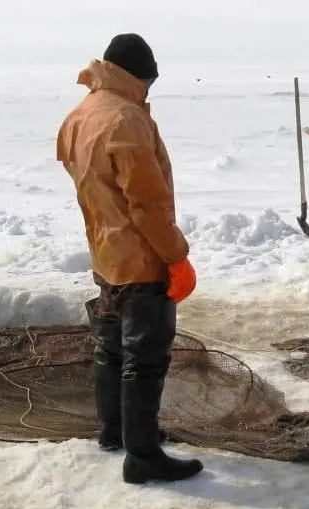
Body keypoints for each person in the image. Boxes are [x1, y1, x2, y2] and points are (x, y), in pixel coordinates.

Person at [56, 33, 203, 484]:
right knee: (146, 354)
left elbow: (74, 167)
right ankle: (142, 455)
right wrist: (176, 256)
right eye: (149, 82)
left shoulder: (81, 114)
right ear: (140, 76)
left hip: (105, 252)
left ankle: (113, 430)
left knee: (112, 345)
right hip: (141, 256)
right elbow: (146, 204)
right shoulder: (127, 120)